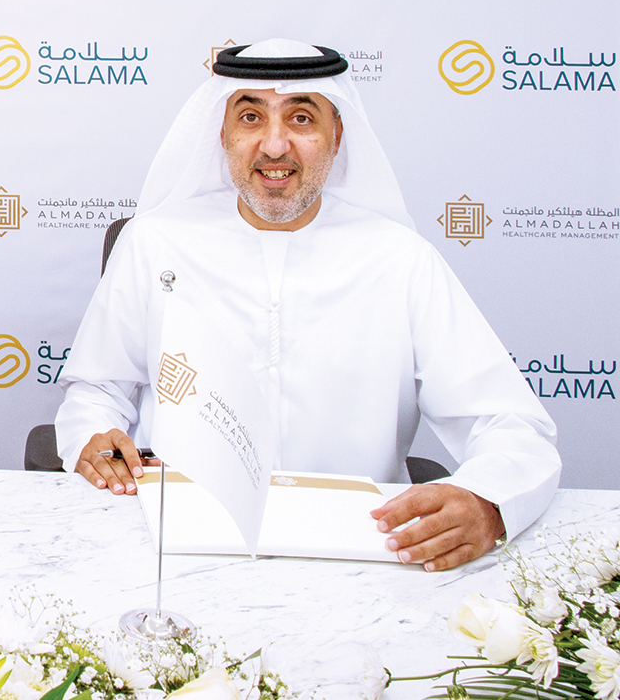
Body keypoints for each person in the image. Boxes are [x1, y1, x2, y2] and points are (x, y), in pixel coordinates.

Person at [54, 38, 560, 572]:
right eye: (251, 117)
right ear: (223, 134)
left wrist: (487, 501)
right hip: (175, 546)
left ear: (336, 136)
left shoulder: (400, 259)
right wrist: (94, 441)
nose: (275, 146)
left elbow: (510, 426)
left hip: (364, 553)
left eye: (301, 118)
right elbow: (96, 392)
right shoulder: (154, 241)